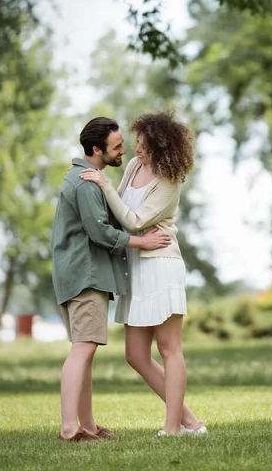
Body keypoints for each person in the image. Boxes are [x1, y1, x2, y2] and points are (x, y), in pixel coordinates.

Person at [79, 112, 206, 437]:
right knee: (135, 355)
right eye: (138, 142)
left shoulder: (170, 180)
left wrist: (103, 184)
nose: (138, 149)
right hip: (135, 264)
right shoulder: (136, 166)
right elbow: (121, 209)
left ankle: (173, 428)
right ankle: (190, 421)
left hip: (161, 264)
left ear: (161, 147)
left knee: (169, 349)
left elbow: (134, 220)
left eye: (145, 145)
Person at [52, 117, 171, 442]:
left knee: (84, 351)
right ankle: (68, 429)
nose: (124, 151)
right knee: (83, 350)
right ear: (96, 149)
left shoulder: (84, 178)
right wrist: (143, 242)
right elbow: (101, 233)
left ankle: (87, 425)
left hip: (78, 273)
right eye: (117, 147)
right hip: (86, 274)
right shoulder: (87, 183)